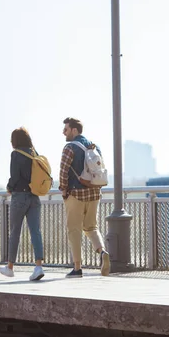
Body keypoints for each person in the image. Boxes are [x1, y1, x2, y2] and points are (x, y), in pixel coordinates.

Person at [59, 117, 110, 277]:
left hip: (76, 194)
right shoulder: (94, 147)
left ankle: (77, 267)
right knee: (91, 227)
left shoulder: (69, 148)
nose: (64, 132)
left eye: (66, 129)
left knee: (74, 230)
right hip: (94, 194)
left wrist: (64, 190)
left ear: (74, 130)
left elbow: (63, 172)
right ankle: (102, 252)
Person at [0, 127, 44, 281]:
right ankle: (38, 266)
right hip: (34, 197)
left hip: (20, 197)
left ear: (15, 140)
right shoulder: (34, 153)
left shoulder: (16, 154)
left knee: (15, 232)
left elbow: (14, 176)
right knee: (35, 232)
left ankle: (10, 267)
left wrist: (9, 188)